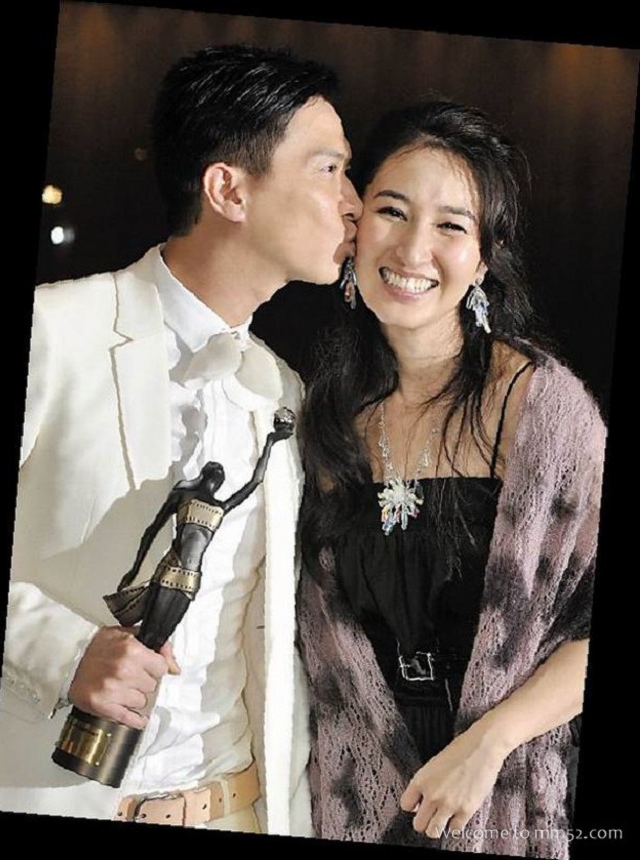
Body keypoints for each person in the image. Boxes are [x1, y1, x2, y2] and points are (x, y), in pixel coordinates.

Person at [0, 43, 361, 834]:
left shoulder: (283, 392)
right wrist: (60, 651)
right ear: (229, 189)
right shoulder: (55, 332)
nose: (353, 202)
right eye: (329, 170)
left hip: (239, 807)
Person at [297, 101, 606, 857]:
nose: (413, 249)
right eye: (392, 211)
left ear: (483, 259)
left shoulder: (540, 408)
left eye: (451, 226)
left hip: (503, 799)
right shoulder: (323, 413)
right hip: (352, 799)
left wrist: (488, 743)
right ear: (354, 224)